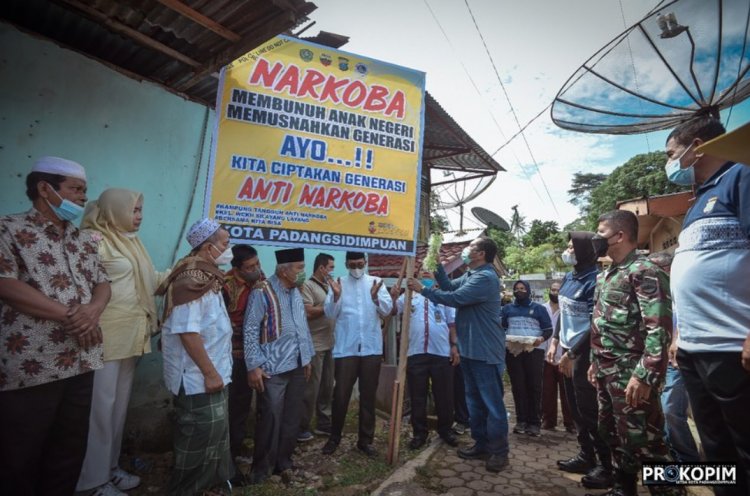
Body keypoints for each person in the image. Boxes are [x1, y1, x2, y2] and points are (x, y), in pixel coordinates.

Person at [0, 157, 111, 496]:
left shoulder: (82, 240)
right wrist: (70, 315)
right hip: (34, 364)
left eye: (84, 191)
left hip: (82, 358)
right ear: (44, 188)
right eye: (75, 189)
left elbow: (103, 283)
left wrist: (92, 310)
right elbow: (5, 283)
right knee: (21, 453)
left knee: (68, 449)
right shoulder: (10, 229)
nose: (81, 197)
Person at [665, 116, 750, 495]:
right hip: (694, 347)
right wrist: (680, 332)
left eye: (671, 154)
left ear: (695, 145)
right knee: (715, 448)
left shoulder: (742, 177)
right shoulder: (698, 200)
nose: (669, 163)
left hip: (732, 345)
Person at [587, 210, 683, 496]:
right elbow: (600, 325)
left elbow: (658, 329)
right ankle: (623, 488)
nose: (596, 238)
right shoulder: (607, 275)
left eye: (601, 232)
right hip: (607, 371)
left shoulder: (644, 270)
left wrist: (645, 375)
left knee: (647, 439)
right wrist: (595, 363)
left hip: (632, 374)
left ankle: (669, 491)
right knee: (613, 433)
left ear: (620, 235)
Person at [77, 189, 164, 495]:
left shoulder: (130, 242)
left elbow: (149, 280)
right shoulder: (90, 241)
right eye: (134, 210)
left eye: (141, 210)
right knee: (98, 410)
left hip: (130, 335)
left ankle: (109, 469)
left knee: (117, 409)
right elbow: (79, 288)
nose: (139, 216)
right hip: (102, 336)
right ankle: (90, 482)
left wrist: (184, 272)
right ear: (114, 211)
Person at [408, 237, 509, 473]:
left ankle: (499, 452)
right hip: (470, 350)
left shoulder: (485, 277)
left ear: (481, 253)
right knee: (474, 403)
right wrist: (435, 265)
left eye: (470, 247)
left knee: (492, 405)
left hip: (486, 351)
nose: (465, 251)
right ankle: (482, 443)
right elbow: (450, 287)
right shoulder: (472, 274)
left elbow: (455, 298)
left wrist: (422, 290)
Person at [156, 218, 233, 496]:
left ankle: (211, 487)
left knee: (214, 436)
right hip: (198, 378)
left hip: (213, 373)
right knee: (199, 439)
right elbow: (188, 333)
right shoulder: (191, 279)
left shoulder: (207, 275)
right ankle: (185, 490)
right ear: (208, 247)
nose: (229, 248)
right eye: (225, 243)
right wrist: (210, 373)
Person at [243, 248, 314, 484]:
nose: (303, 273)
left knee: (292, 416)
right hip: (272, 367)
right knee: (271, 417)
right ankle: (262, 469)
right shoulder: (262, 292)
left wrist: (307, 358)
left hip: (297, 364)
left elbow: (301, 324)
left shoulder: (295, 290)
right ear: (284, 271)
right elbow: (251, 329)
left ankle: (283, 461)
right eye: (299, 268)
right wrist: (253, 365)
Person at [548, 232, 613, 490]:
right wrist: (555, 340)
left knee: (590, 410)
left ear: (586, 250)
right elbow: (563, 312)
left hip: (584, 352)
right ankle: (586, 455)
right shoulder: (569, 277)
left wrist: (572, 353)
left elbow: (594, 325)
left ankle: (605, 466)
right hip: (566, 348)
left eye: (572, 247)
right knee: (574, 407)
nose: (567, 251)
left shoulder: (596, 280)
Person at [322, 252, 392, 457]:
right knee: (341, 395)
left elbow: (387, 311)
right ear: (346, 264)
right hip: (347, 348)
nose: (356, 268)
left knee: (368, 396)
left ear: (366, 262)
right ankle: (334, 438)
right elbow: (329, 313)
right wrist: (335, 296)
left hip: (371, 348)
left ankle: (365, 440)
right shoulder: (338, 283)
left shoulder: (376, 282)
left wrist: (375, 297)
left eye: (360, 264)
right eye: (352, 264)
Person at [390, 274, 460, 449]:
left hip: (441, 352)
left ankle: (446, 430)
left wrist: (454, 346)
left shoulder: (443, 296)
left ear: (435, 279)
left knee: (444, 395)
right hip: (416, 352)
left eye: (430, 274)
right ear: (417, 277)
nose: (426, 276)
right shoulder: (407, 297)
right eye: (423, 274)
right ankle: (419, 434)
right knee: (417, 396)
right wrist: (392, 297)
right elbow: (392, 312)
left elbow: (452, 324)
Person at [647, 251, 700, 464]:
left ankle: (688, 461)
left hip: (678, 360)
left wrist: (676, 339)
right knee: (662, 410)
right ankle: (674, 454)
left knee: (670, 409)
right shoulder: (654, 293)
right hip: (657, 361)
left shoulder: (682, 291)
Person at [222, 244, 263, 483]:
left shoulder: (258, 280)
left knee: (242, 407)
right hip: (230, 357)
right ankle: (226, 464)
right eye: (250, 267)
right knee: (230, 411)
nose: (256, 269)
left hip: (251, 355)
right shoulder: (225, 286)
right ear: (237, 268)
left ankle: (235, 455)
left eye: (257, 264)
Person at [502, 280, 552, 437]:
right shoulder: (508, 309)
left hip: (534, 351)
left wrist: (541, 340)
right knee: (518, 387)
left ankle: (534, 423)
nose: (519, 291)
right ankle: (521, 421)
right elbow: (502, 328)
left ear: (528, 291)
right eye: (516, 289)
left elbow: (548, 330)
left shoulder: (539, 309)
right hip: (514, 351)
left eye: (522, 288)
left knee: (534, 387)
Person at [299, 253, 336, 440]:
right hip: (314, 344)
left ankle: (323, 423)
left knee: (327, 387)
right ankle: (302, 426)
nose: (332, 271)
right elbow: (307, 312)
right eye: (330, 267)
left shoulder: (330, 286)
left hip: (330, 343)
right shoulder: (307, 285)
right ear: (321, 268)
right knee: (311, 389)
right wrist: (330, 306)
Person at [540, 282, 574, 433]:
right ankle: (548, 421)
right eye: (552, 289)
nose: (555, 292)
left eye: (558, 290)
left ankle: (570, 423)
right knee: (547, 392)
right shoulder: (542, 308)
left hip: (564, 356)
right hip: (546, 357)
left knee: (567, 393)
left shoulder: (568, 310)